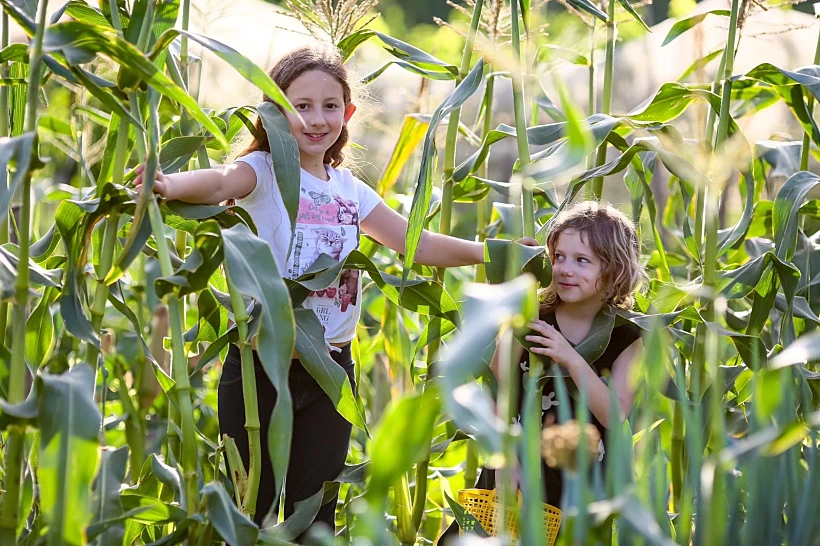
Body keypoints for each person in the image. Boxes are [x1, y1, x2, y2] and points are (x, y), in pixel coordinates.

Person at [134, 44, 537, 537]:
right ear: (274, 111)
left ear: (347, 114)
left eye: (329, 106)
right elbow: (220, 181)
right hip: (261, 368)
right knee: (250, 511)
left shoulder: (350, 189)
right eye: (301, 106)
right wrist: (170, 184)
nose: (316, 119)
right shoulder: (261, 172)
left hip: (330, 373)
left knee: (314, 516)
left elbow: (418, 242)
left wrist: (495, 251)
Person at [438, 201, 644, 544]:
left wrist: (571, 358)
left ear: (614, 270)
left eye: (582, 261)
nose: (564, 269)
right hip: (514, 466)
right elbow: (497, 390)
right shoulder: (530, 314)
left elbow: (615, 413)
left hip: (579, 482)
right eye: (559, 256)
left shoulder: (628, 336)